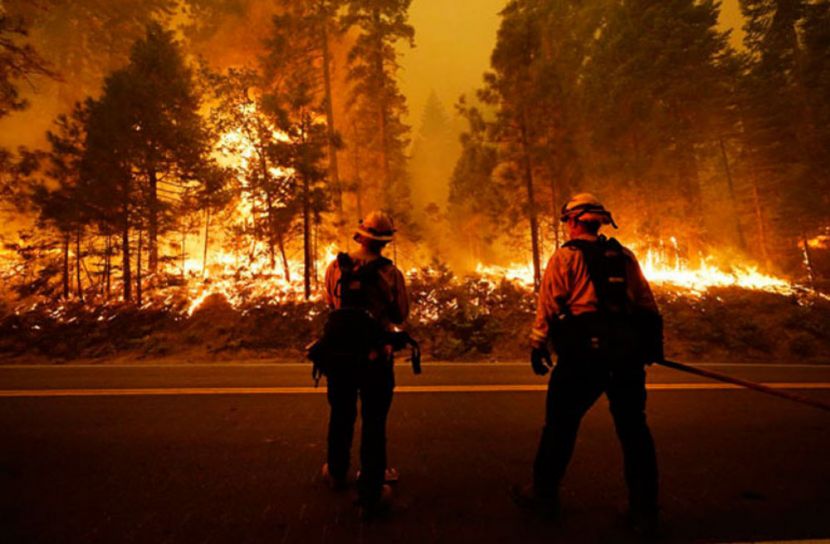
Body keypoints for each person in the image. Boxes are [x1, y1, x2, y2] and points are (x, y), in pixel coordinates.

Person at [512, 193, 663, 534]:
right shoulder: (624, 256)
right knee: (634, 429)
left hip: (583, 357)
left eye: (567, 220)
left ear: (576, 221)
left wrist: (538, 344)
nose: (566, 226)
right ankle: (644, 508)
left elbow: (549, 304)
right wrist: (652, 346)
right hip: (626, 355)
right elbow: (647, 304)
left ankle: (544, 495)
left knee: (560, 426)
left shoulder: (565, 257)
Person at [317, 211, 409, 519]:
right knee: (373, 422)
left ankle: (337, 472)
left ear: (360, 236)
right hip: (375, 359)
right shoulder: (390, 273)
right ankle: (371, 491)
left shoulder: (335, 266)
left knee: (341, 415)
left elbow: (331, 304)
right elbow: (399, 316)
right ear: (385, 243)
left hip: (340, 358)